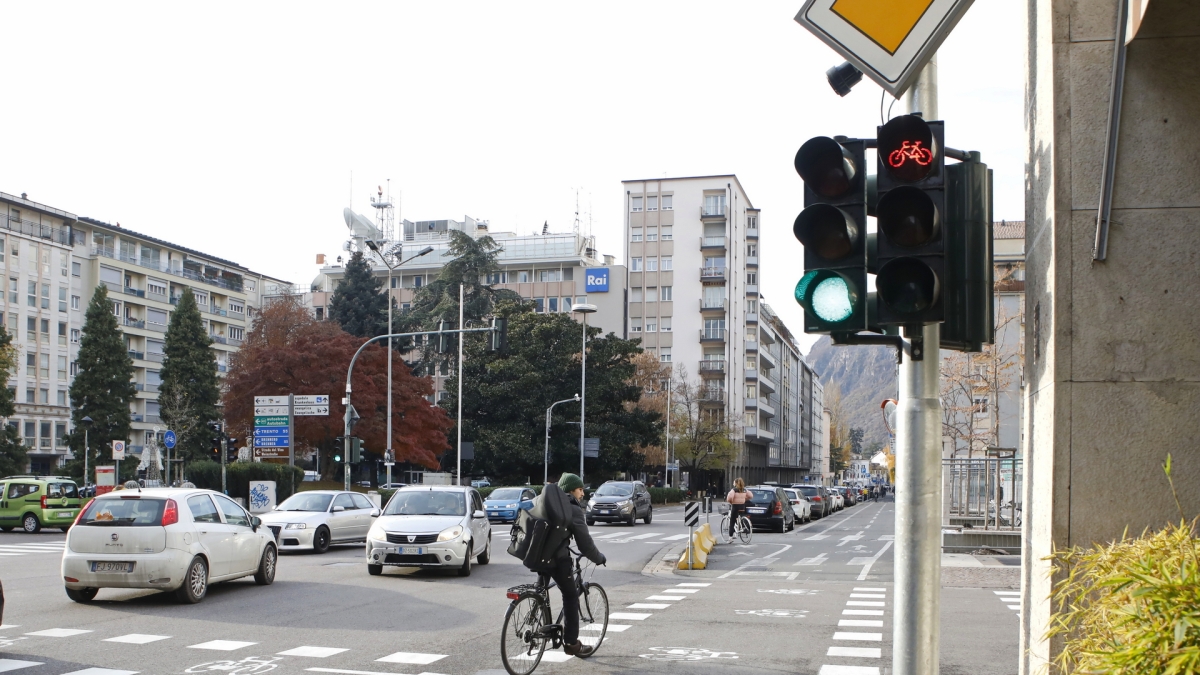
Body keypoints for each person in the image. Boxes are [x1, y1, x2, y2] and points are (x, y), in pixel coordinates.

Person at [531, 473, 606, 658]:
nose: (583, 493)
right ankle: (572, 644)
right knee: (571, 595)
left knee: (540, 589)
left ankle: (535, 620)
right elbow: (584, 543)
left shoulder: (543, 501)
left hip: (537, 556)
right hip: (557, 559)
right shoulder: (571, 508)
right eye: (580, 489)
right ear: (571, 490)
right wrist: (599, 558)